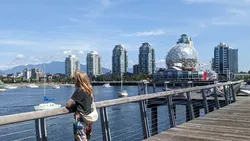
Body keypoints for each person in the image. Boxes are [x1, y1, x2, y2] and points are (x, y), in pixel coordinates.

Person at [66, 71, 94, 141]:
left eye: (74, 79)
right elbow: (91, 102)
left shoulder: (79, 90)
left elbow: (68, 104)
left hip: (80, 119)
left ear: (78, 80)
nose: (73, 80)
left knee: (79, 139)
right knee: (86, 138)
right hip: (88, 119)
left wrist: (75, 105)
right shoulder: (89, 90)